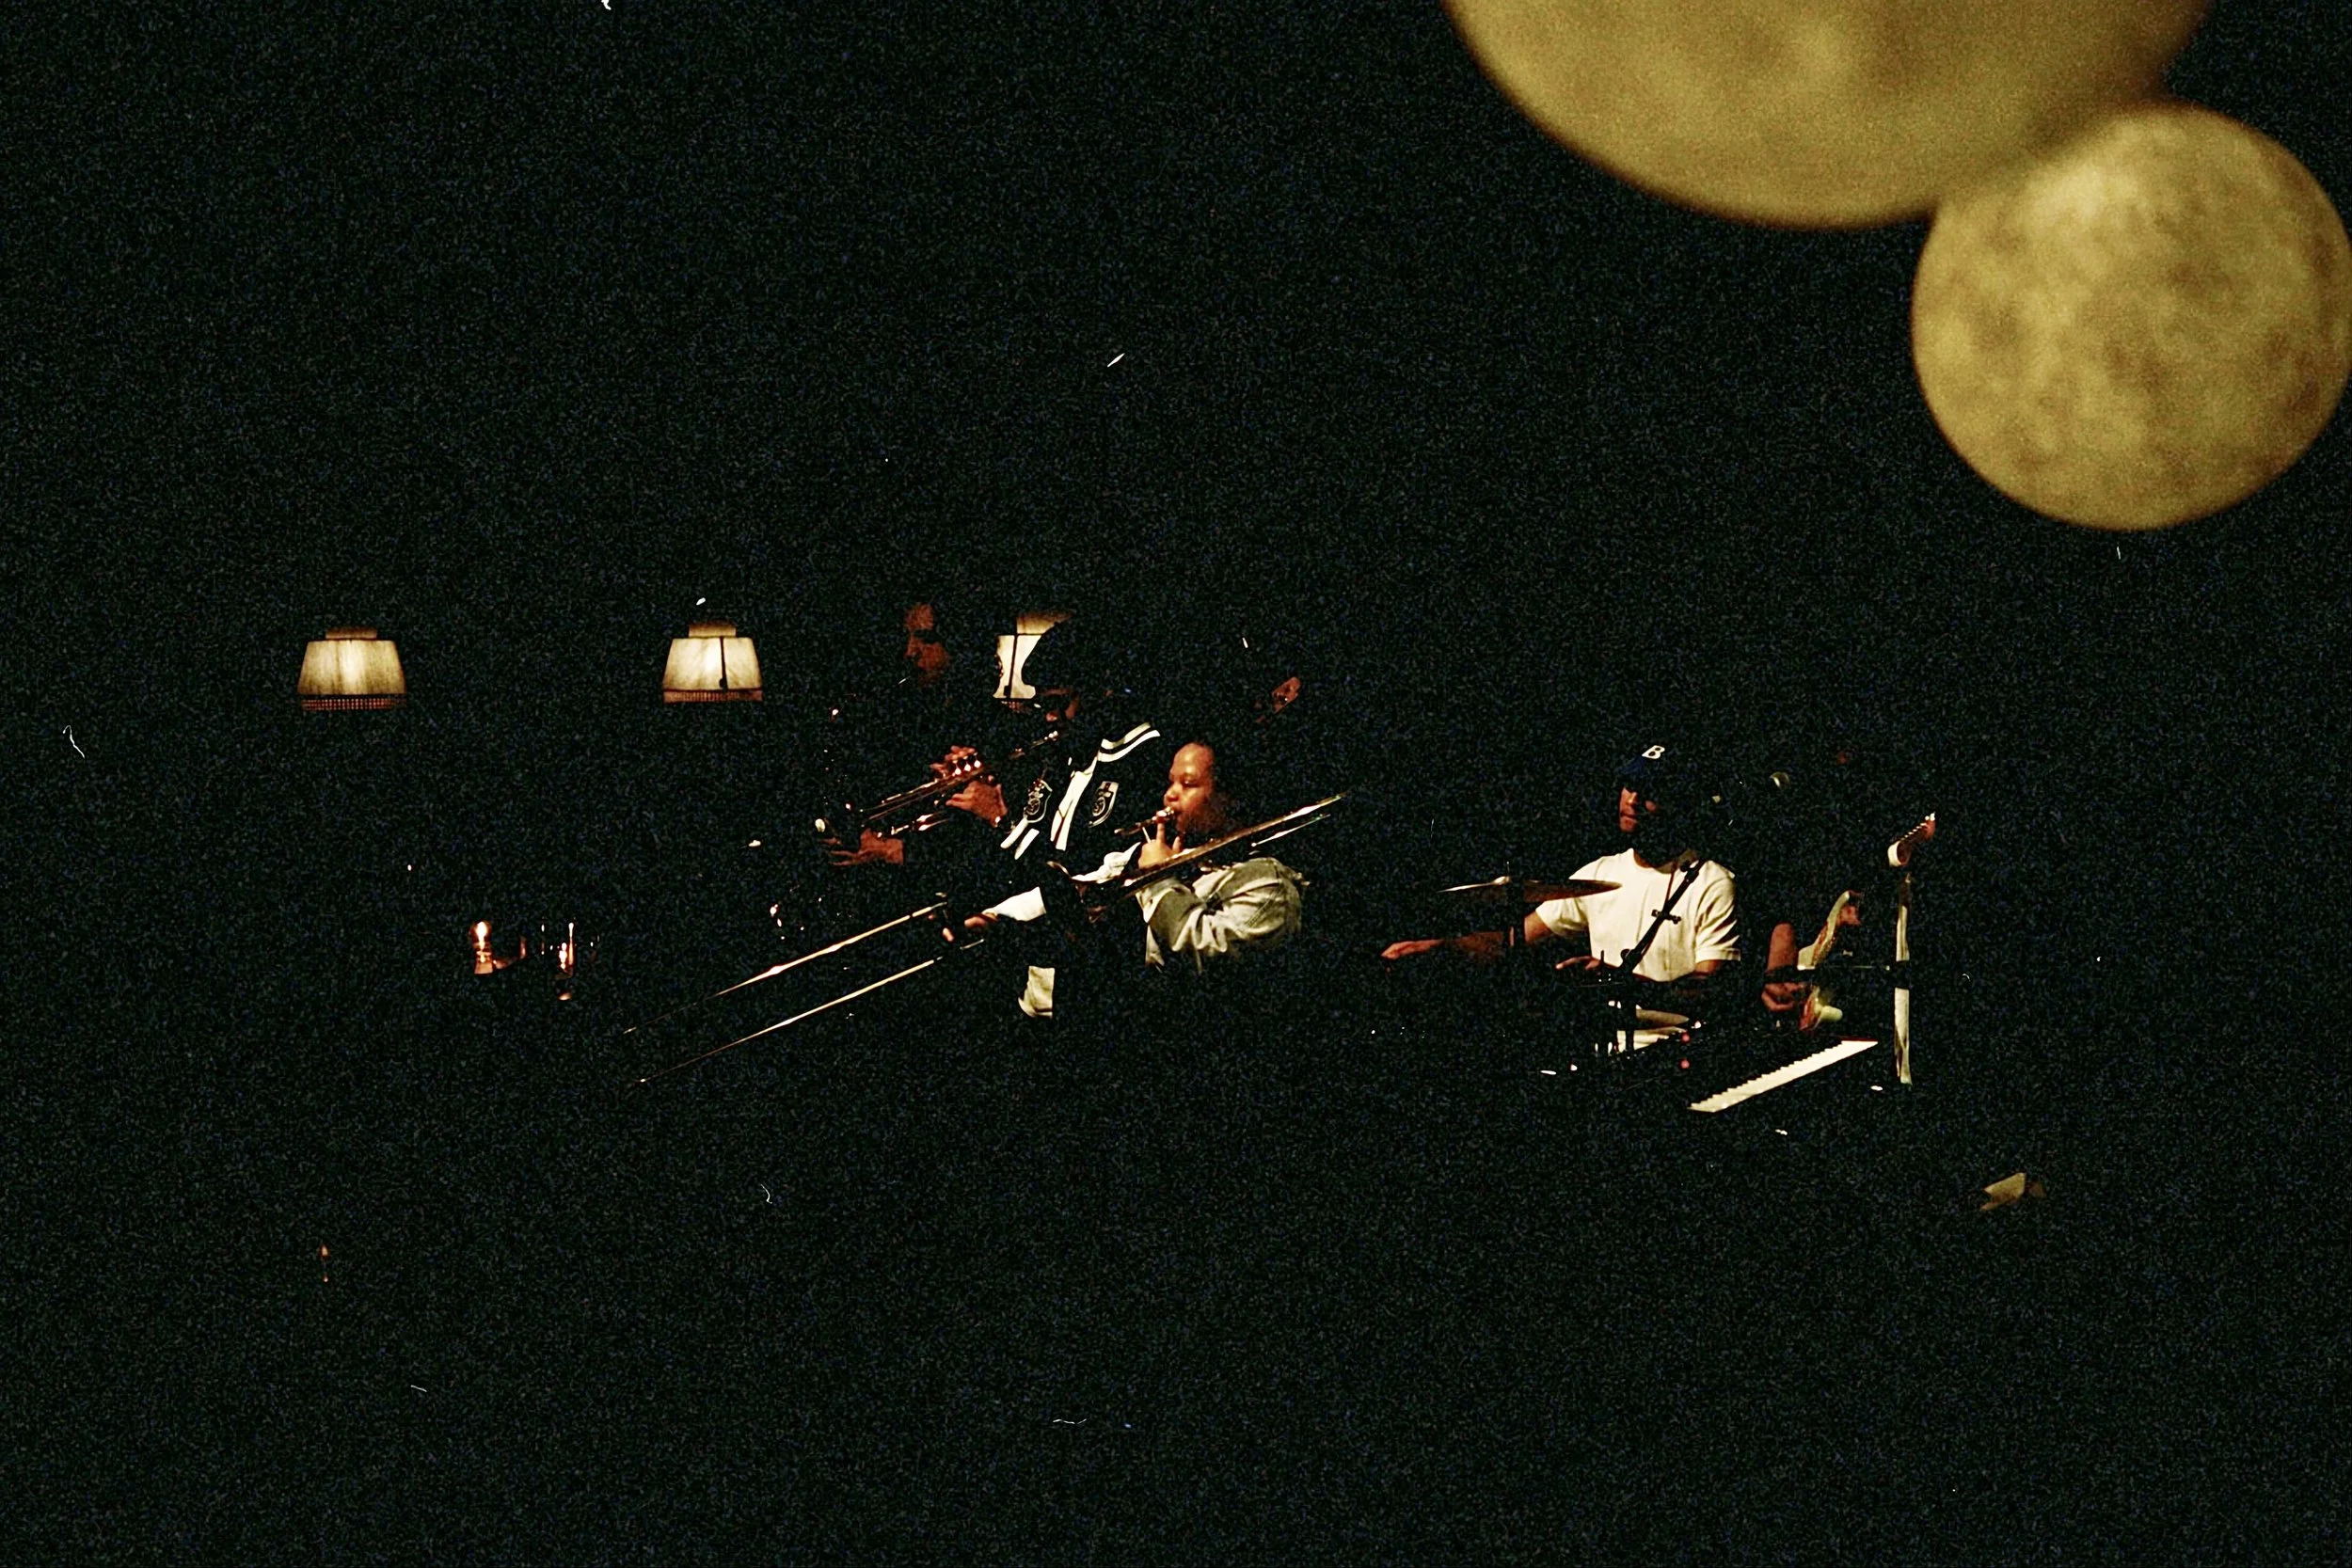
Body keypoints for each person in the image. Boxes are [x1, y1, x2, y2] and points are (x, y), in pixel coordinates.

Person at [1381, 744, 1740, 1027]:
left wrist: (1622, 984)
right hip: (1607, 1041)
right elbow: (1513, 941)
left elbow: (1709, 992)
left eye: (1651, 791)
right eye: (1629, 786)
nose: (1632, 800)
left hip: (1676, 1041)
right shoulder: (1602, 873)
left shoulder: (1712, 882)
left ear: (1680, 802)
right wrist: (1443, 949)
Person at [1131, 739, 1304, 975]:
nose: (1170, 794)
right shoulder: (1182, 857)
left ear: (1229, 797)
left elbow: (1208, 956)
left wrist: (1159, 881)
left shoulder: (1270, 886)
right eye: (1172, 782)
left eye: (1188, 784)